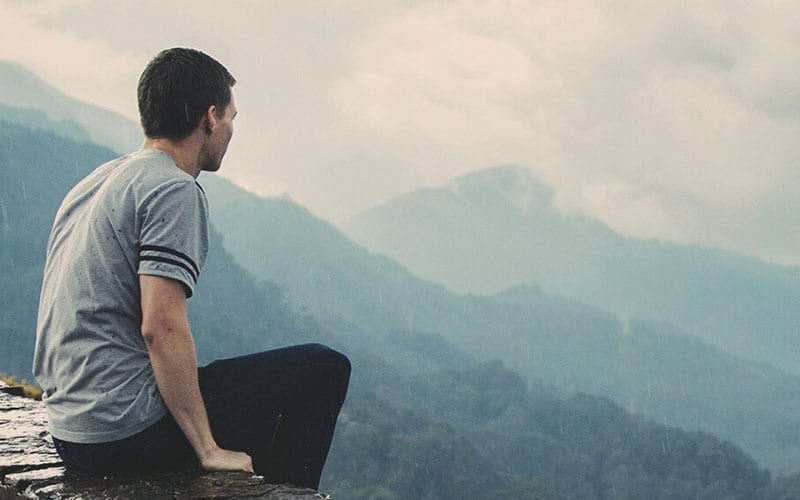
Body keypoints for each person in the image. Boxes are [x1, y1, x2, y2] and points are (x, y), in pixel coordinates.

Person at [32, 48, 350, 489]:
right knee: (324, 368)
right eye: (232, 117)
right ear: (210, 118)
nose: (232, 130)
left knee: (255, 415)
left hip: (72, 428)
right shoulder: (172, 188)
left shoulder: (98, 181)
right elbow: (160, 327)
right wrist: (207, 448)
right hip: (122, 432)